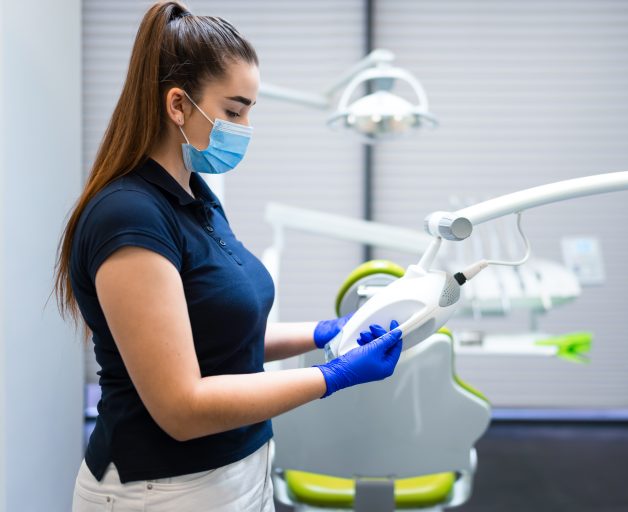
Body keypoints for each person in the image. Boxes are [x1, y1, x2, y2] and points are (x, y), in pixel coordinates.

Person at [53, 2, 402, 510]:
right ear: (178, 105)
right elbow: (181, 409)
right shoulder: (129, 217)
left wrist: (329, 332)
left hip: (239, 469)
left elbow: (217, 336)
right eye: (234, 111)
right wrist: (334, 376)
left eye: (249, 112)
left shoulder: (196, 197)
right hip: (161, 489)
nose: (245, 127)